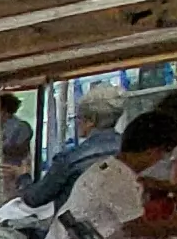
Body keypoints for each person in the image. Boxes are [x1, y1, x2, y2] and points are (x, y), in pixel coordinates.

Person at [48, 102, 177, 239]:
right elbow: (137, 228)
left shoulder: (117, 171)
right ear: (153, 151)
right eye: (165, 153)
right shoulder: (115, 178)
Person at [22, 82, 127, 211]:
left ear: (91, 121)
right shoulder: (132, 150)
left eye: (78, 118)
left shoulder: (70, 159)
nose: (76, 123)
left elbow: (35, 198)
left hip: (79, 227)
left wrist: (23, 176)